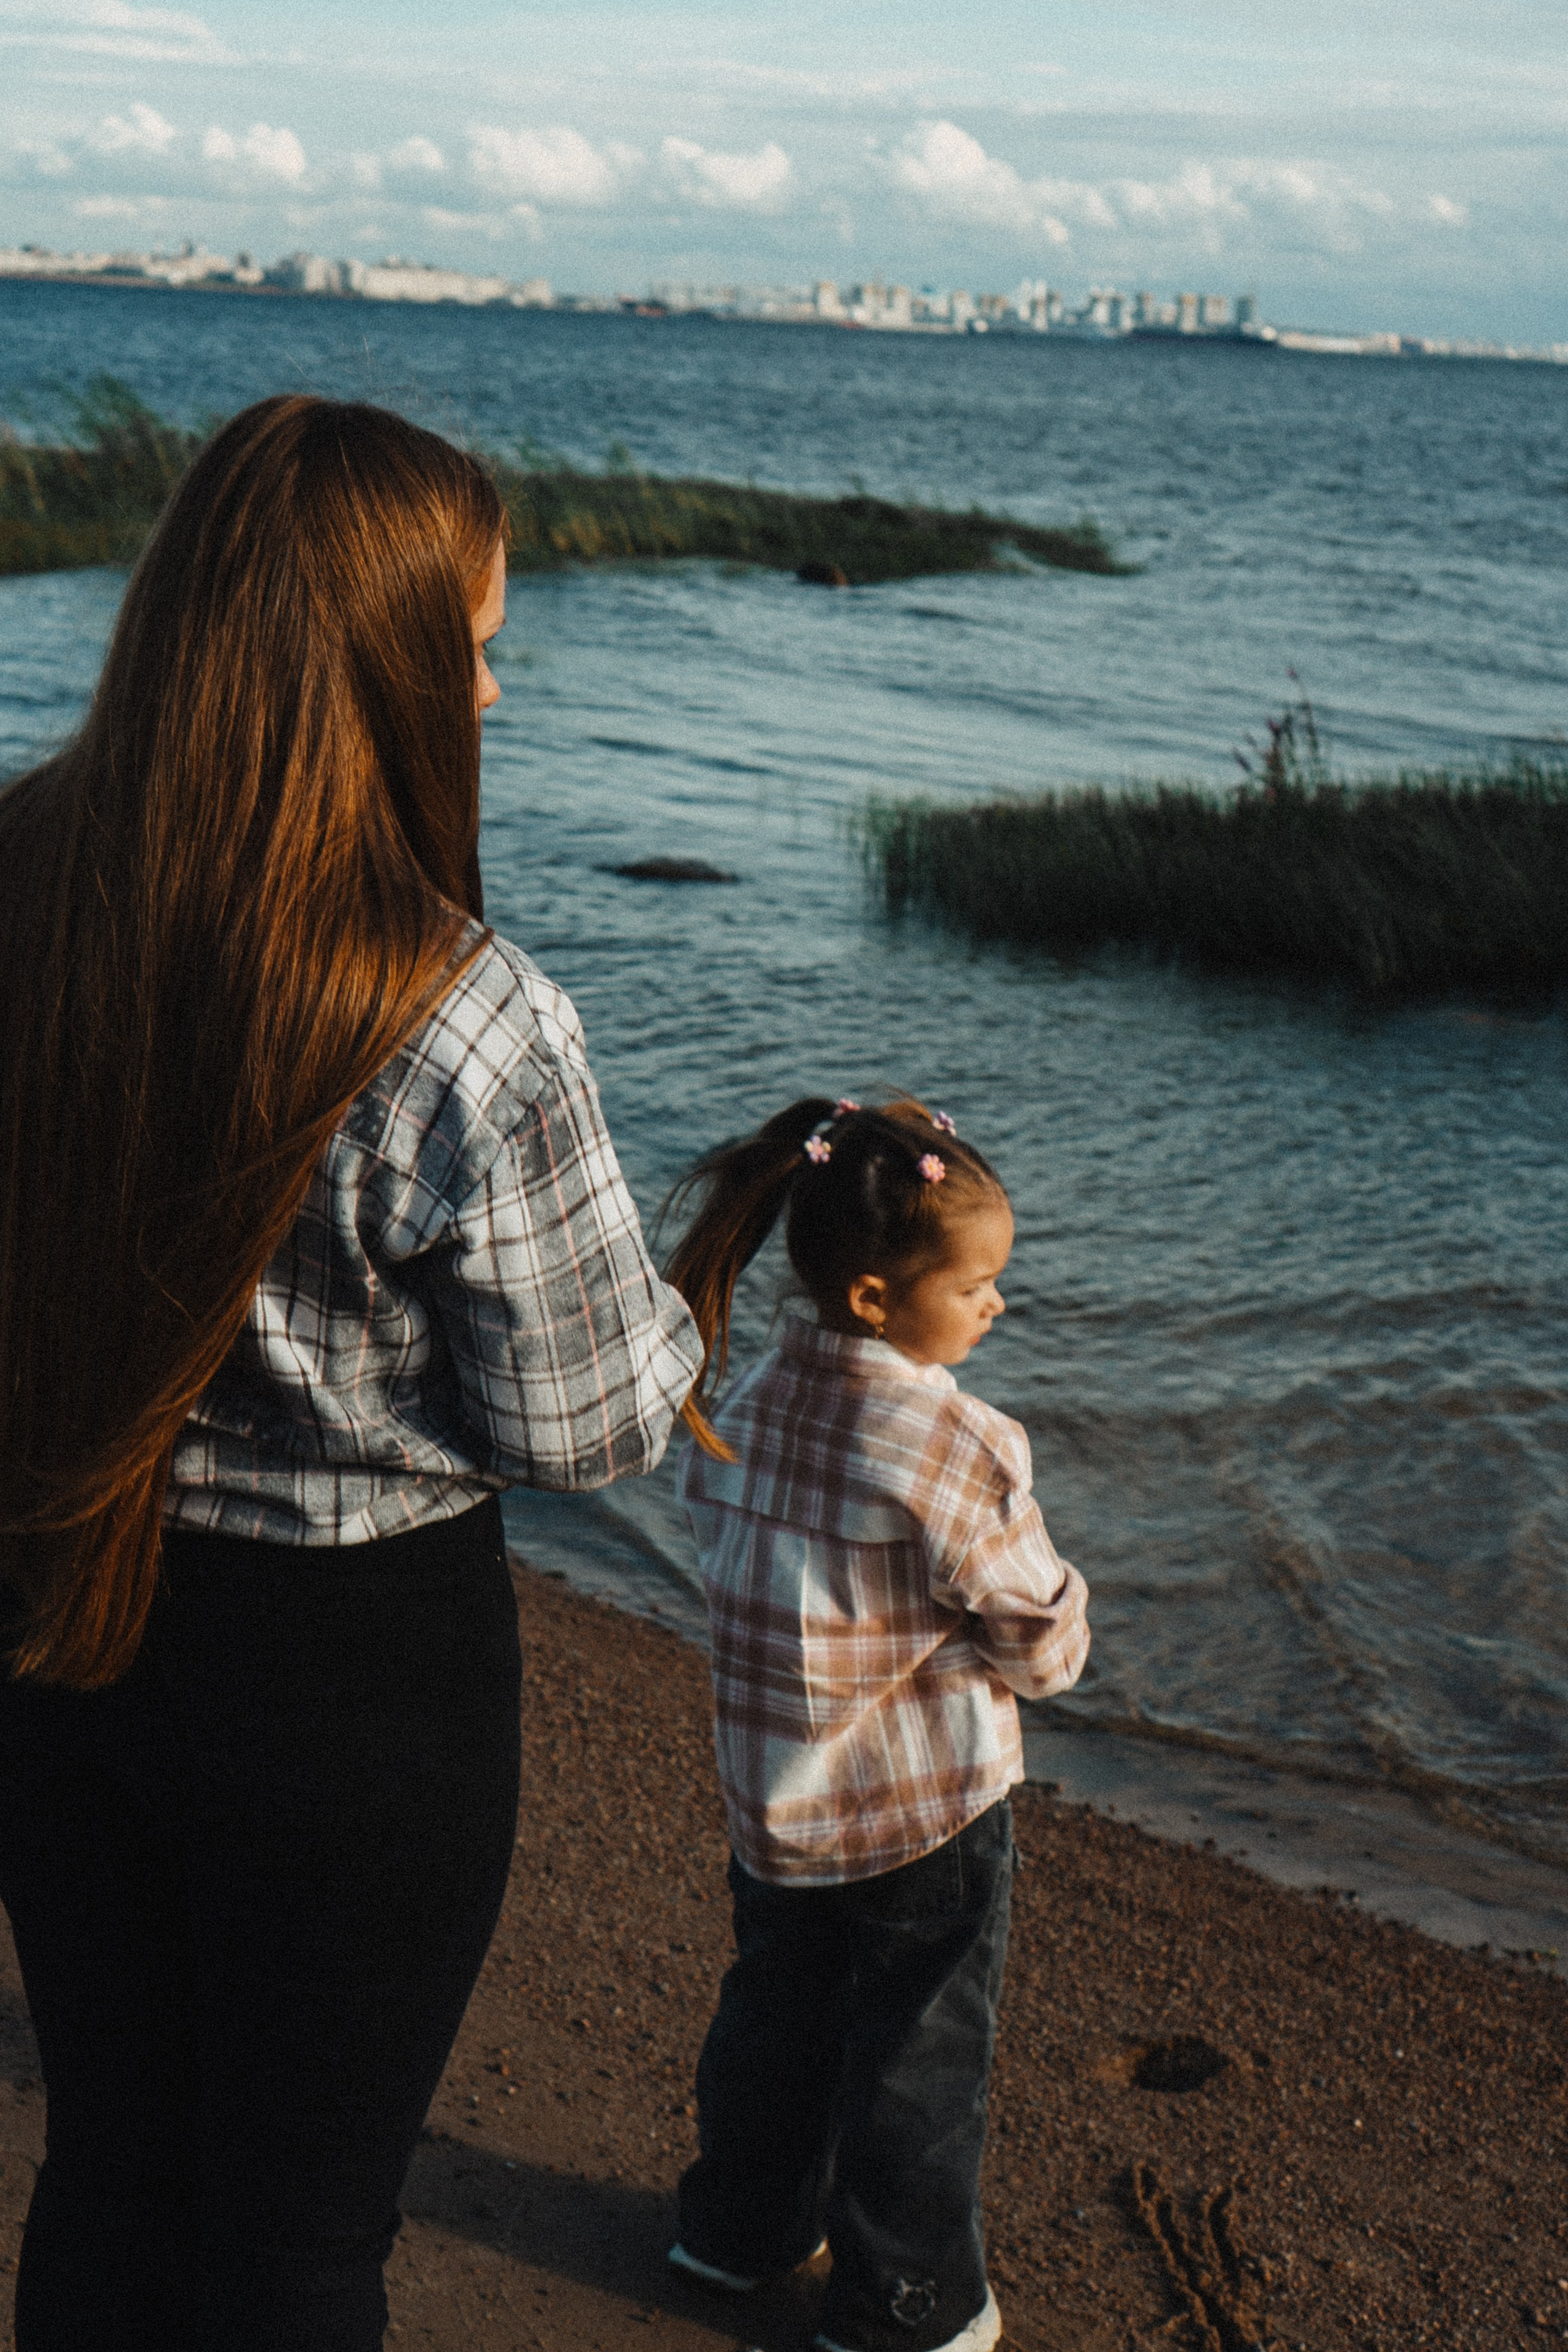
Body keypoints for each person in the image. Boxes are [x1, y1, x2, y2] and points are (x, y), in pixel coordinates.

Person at [0, 396, 703, 2352]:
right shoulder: (467, 1014)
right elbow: (587, 1425)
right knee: (301, 2242)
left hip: (54, 1610)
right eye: (474, 641)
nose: (494, 685)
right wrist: (680, 1315)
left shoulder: (19, 879)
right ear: (374, 659)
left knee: (112, 2165)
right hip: (350, 1682)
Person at [659, 1096, 1091, 2352]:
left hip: (774, 1800)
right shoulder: (953, 1440)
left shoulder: (742, 1398)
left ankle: (738, 2231)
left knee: (775, 2020)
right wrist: (1047, 1624)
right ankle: (904, 2302)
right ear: (871, 1297)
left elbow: (727, 1550)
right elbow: (1041, 1649)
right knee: (917, 2057)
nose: (997, 1305)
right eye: (975, 1285)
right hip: (922, 1812)